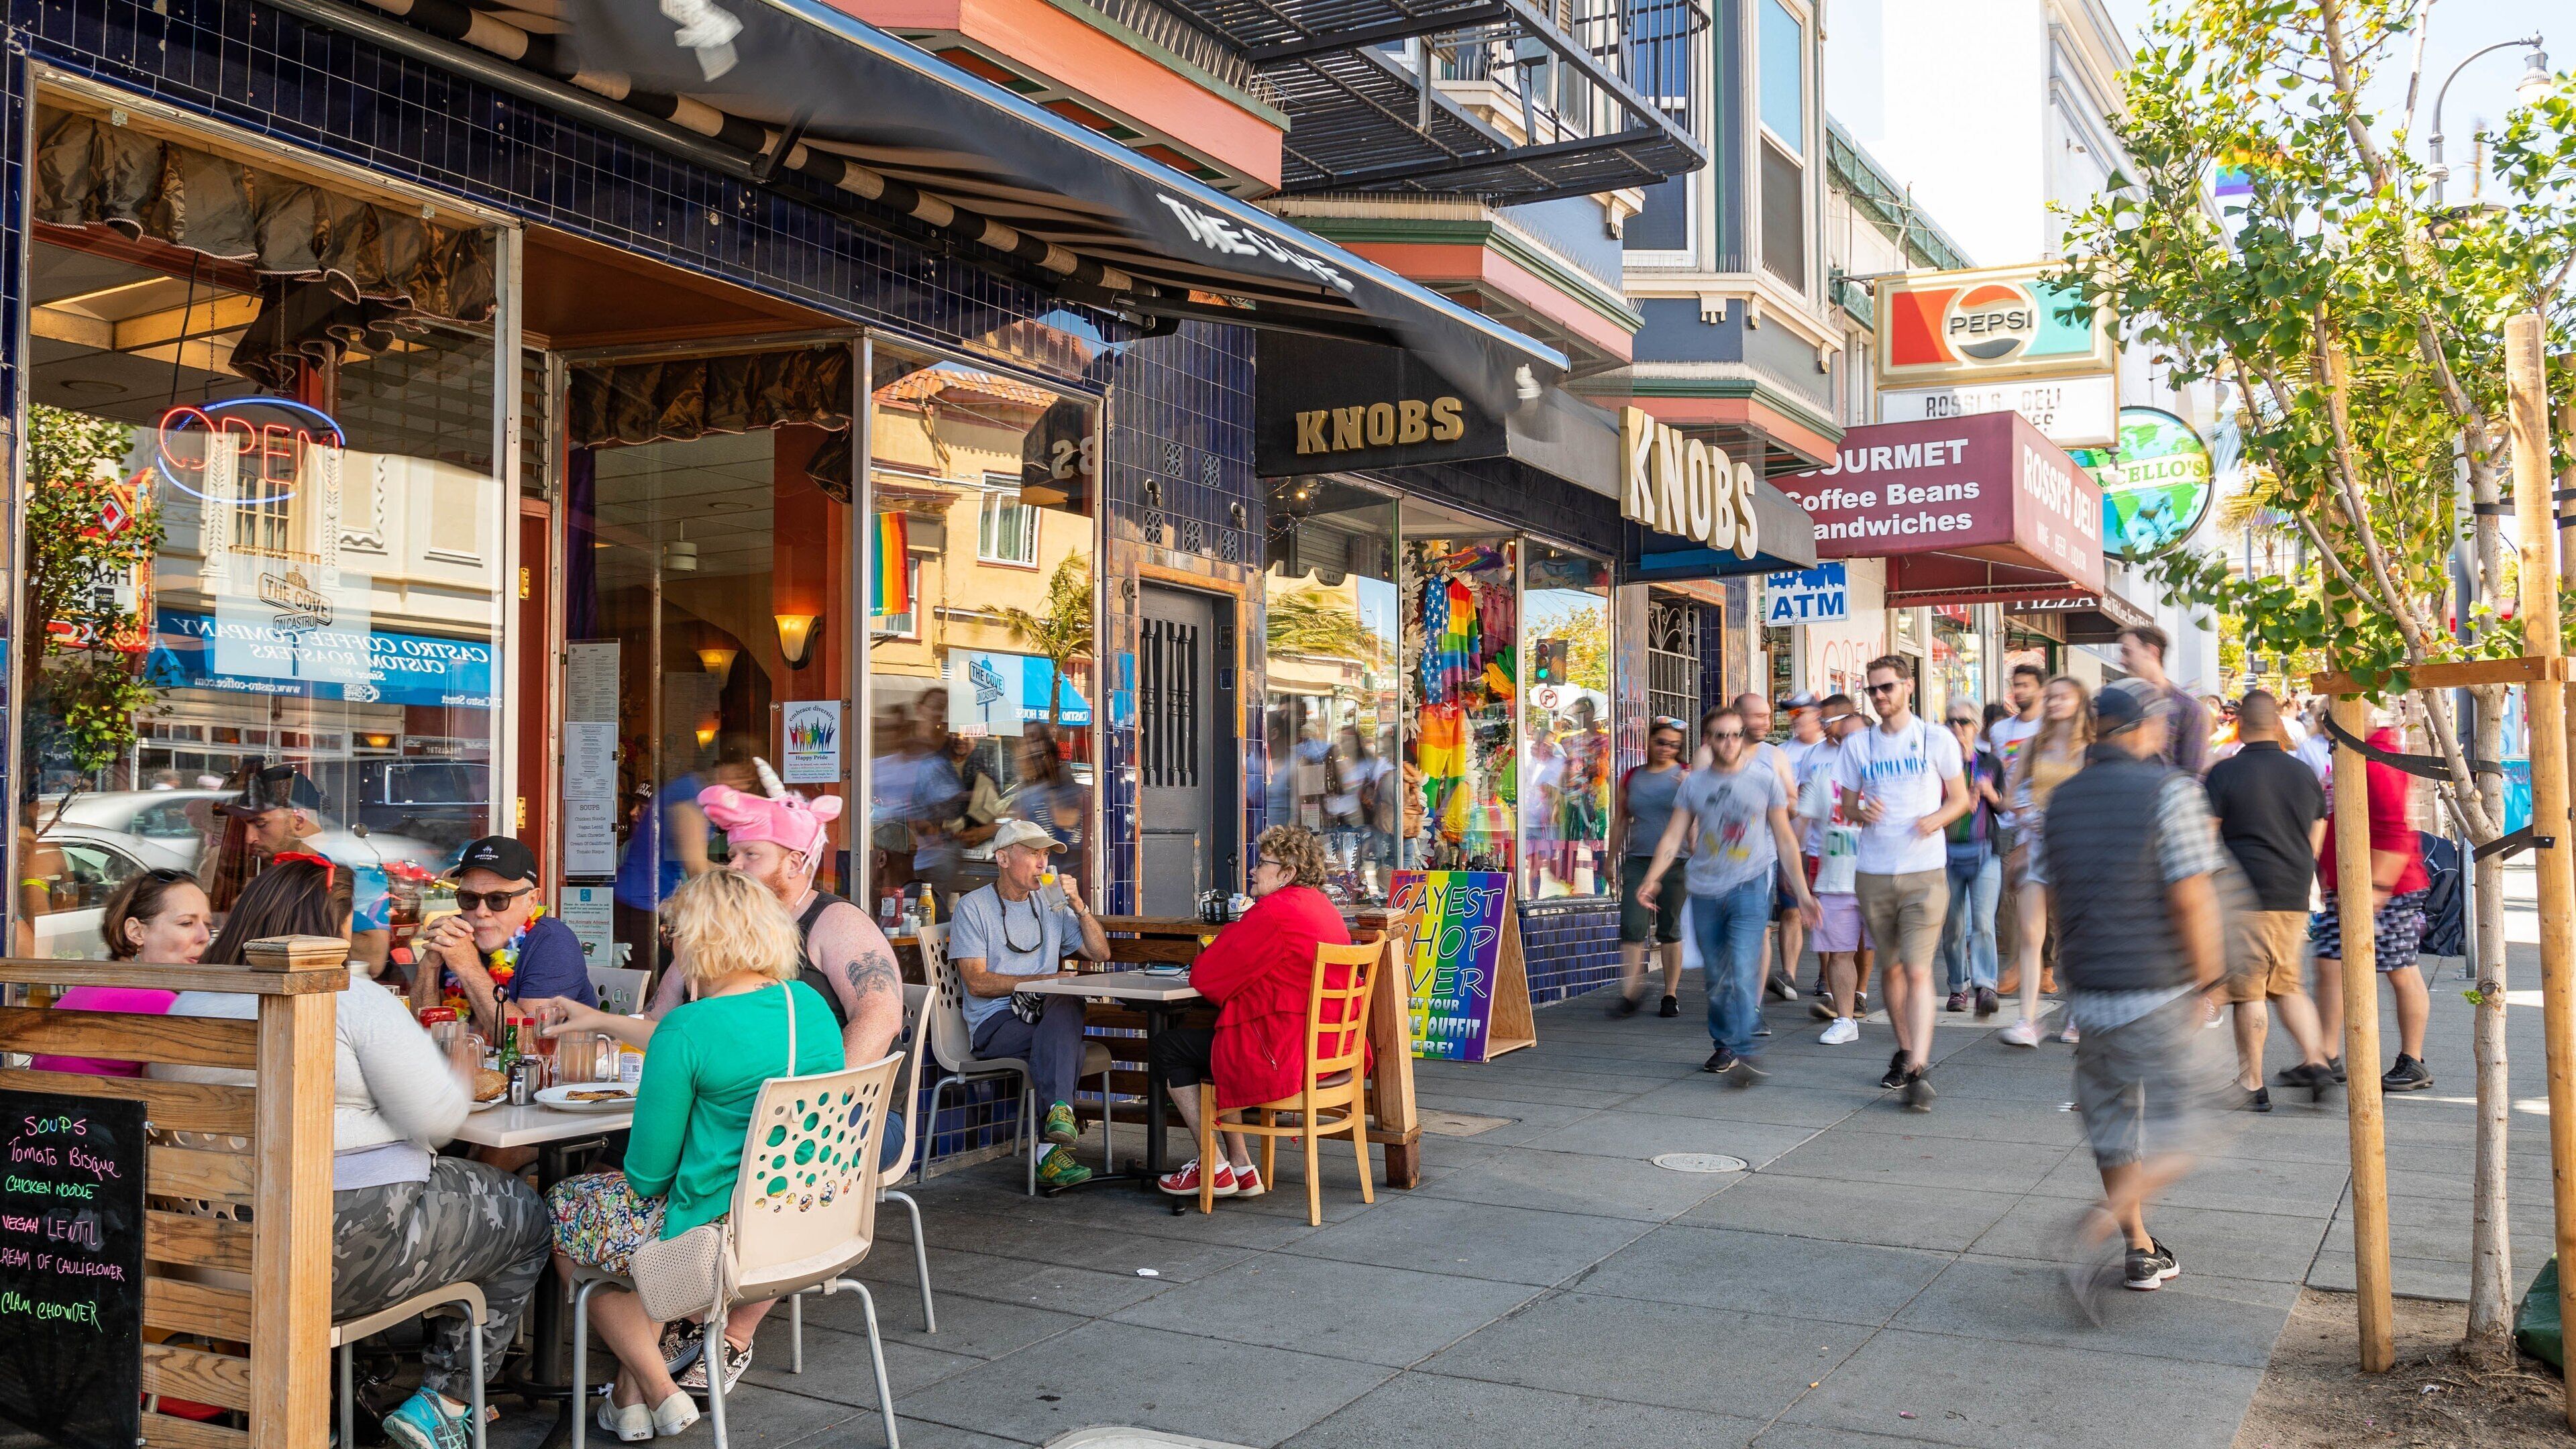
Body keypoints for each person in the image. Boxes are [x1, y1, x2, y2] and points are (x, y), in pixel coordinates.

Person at [172, 859, 553, 1449]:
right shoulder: (349, 997)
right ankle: (447, 1401)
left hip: (212, 1249)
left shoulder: (190, 1003)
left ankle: (331, 1400)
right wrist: (455, 1071)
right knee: (523, 1212)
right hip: (329, 1257)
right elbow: (441, 1117)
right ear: (332, 924)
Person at [548, 781, 904, 1396]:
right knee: (644, 1162)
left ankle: (713, 1339)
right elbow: (666, 1030)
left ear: (797, 859)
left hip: (836, 1127)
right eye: (731, 855)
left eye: (748, 856)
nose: (731, 865)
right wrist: (601, 1020)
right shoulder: (782, 988)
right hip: (800, 1180)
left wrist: (810, 1108)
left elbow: (881, 1016)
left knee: (589, 1196)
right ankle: (656, 1357)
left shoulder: (833, 922)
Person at [547, 869, 846, 1441]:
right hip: (800, 1220)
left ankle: (658, 1389)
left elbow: (648, 1174)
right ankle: (628, 1399)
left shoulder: (686, 1028)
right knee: (630, 1241)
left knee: (566, 1206)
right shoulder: (806, 1004)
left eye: (673, 932)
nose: (672, 942)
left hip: (711, 1237)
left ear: (700, 938)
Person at [2045, 680, 2233, 1310]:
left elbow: (2049, 895)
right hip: (2156, 989)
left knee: (2114, 1128)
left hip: (2090, 994)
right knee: (2190, 1131)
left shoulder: (2062, 799)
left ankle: (2138, 1247)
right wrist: (2212, 982)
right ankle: (2101, 1222)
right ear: (2142, 730)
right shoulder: (2169, 791)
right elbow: (2192, 895)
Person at [1152, 826, 1354, 1197]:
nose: (1253, 871)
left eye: (1262, 863)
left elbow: (1208, 976)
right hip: (1328, 1053)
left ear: (1288, 873)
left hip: (1284, 1056)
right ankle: (1242, 1169)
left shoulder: (1276, 912)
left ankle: (1213, 1165)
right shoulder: (1321, 906)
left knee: (1170, 1046)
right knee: (1217, 1042)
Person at [1637, 706, 1820, 1085]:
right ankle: (1726, 1042)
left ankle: (1739, 1044)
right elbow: (1673, 837)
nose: (1729, 742)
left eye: (1735, 734)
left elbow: (1785, 839)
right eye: (1720, 736)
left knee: (1740, 964)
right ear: (1708, 740)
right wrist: (1652, 878)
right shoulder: (1694, 784)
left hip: (1749, 884)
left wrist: (1802, 893)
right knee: (1717, 976)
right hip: (1704, 887)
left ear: (1743, 737)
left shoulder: (1764, 779)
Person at [1836, 657, 1970, 1107]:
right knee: (1890, 969)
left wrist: (1937, 818)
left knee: (1916, 969)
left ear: (1908, 687)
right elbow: (1848, 806)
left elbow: (1961, 799)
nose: (1879, 697)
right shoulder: (1858, 745)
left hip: (1925, 872)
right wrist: (1860, 813)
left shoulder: (1936, 738)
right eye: (1872, 691)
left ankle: (1917, 1066)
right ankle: (1907, 1050)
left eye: (1887, 688)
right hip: (1873, 872)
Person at [949, 818, 1110, 1189]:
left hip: (1043, 1018)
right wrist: (1042, 980)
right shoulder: (974, 908)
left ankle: (1055, 1129)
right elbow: (977, 982)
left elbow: (1100, 953)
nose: (1043, 864)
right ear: (1003, 859)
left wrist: (1080, 906)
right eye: (1033, 854)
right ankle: (1052, 1142)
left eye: (1045, 855)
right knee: (1064, 1046)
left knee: (1067, 1004)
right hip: (995, 1023)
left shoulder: (1051, 903)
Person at [2200, 691, 2338, 1108]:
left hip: (2244, 891)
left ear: (2239, 724)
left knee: (2250, 990)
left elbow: (2207, 837)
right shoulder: (2303, 775)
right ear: (2277, 725)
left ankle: (2251, 1083)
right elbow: (2316, 838)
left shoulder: (2224, 774)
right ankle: (2316, 1062)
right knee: (2288, 983)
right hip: (2293, 889)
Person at [2312, 710, 2432, 1091]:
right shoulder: (2355, 759)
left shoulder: (2375, 765)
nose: (2324, 736)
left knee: (2400, 969)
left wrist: (2377, 889)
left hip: (2385, 888)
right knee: (2330, 963)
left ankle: (2413, 1060)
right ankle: (2324, 1056)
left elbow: (2396, 831)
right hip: (2352, 885)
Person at [28, 869, 210, 1076]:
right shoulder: (158, 1001)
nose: (204, 936)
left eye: (208, 925)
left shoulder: (94, 985)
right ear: (136, 932)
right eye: (186, 923)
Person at [416, 835, 596, 1035]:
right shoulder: (457, 934)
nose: (481, 911)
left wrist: (467, 966)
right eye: (469, 898)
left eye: (497, 899)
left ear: (531, 901)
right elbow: (423, 1032)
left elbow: (530, 1042)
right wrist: (430, 965)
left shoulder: (554, 942)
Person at [2000, 676, 2092, 1047]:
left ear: (2079, 701)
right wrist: (2025, 811)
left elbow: (2097, 799)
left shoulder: (2090, 748)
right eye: (2050, 696)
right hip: (2036, 847)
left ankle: (2076, 1015)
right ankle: (2028, 1020)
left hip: (2075, 849)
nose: (2054, 702)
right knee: (2031, 934)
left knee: (2073, 937)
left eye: (2062, 697)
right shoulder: (2034, 745)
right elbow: (2008, 797)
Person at [1609, 717, 1690, 1018]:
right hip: (1638, 860)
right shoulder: (1632, 777)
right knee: (1631, 925)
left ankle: (1670, 994)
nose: (1666, 749)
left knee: (1670, 929)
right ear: (1649, 742)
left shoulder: (1685, 775)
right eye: (1661, 742)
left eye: (1674, 745)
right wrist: (1609, 861)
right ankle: (1631, 992)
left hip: (1676, 861)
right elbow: (1620, 821)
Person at [1802, 698, 1873, 1040]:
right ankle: (1846, 1020)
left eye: (1859, 738)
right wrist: (1799, 878)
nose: (1852, 744)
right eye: (1847, 738)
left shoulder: (1890, 779)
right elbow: (1798, 828)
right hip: (1835, 880)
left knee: (1895, 956)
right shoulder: (1822, 776)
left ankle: (1903, 1016)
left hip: (1882, 878)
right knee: (1839, 951)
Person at [1939, 706, 2004, 1018]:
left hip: (1984, 851)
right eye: (1950, 721)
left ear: (1976, 726)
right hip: (1946, 853)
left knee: (1982, 921)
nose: (1956, 726)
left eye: (1963, 721)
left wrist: (1991, 794)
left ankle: (1986, 986)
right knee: (1952, 926)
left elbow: (2004, 807)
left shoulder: (1990, 762)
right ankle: (1957, 987)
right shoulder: (1938, 764)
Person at [1988, 664, 2046, 993]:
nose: (2019, 691)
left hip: (2044, 821)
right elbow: (2000, 772)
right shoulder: (2000, 731)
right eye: (2016, 685)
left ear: (2040, 689)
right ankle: (2016, 965)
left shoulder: (2048, 728)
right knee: (2009, 894)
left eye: (2026, 685)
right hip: (2009, 820)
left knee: (2046, 899)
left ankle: (2046, 966)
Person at [1769, 694, 1826, 1002]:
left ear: (1818, 714)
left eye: (1800, 711)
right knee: (1791, 910)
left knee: (1823, 912)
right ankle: (1788, 975)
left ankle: (1825, 975)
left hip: (1822, 846)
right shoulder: (1781, 752)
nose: (1794, 717)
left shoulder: (1829, 750)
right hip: (1789, 844)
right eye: (1790, 713)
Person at [2117, 625, 2212, 777]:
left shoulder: (2189, 709)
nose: (2122, 661)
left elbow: (2190, 776)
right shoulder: (2118, 702)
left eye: (2127, 652)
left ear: (2152, 652)